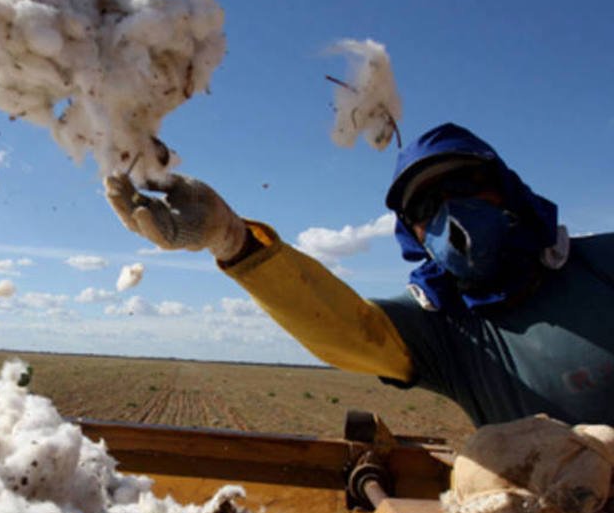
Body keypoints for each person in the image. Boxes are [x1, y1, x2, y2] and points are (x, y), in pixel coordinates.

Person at [104, 123, 614, 427]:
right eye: (426, 207)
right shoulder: (449, 331)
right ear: (412, 234)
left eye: (467, 185)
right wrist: (230, 239)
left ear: (509, 189)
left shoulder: (601, 264)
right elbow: (347, 329)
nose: (450, 216)